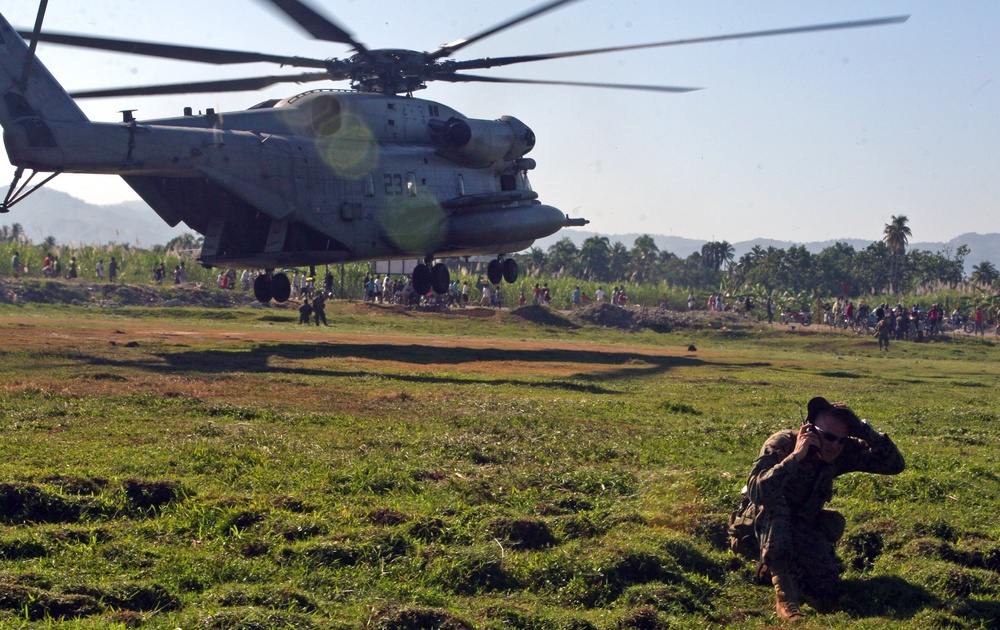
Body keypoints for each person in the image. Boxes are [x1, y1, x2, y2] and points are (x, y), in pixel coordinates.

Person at [728, 397, 904, 623]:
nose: (835, 445)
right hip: (756, 528)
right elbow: (756, 492)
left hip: (798, 526)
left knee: (826, 585)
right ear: (809, 429)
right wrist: (796, 457)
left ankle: (770, 568)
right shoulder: (783, 443)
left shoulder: (840, 450)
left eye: (842, 440)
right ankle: (784, 595)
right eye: (829, 437)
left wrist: (864, 432)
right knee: (777, 501)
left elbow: (894, 465)